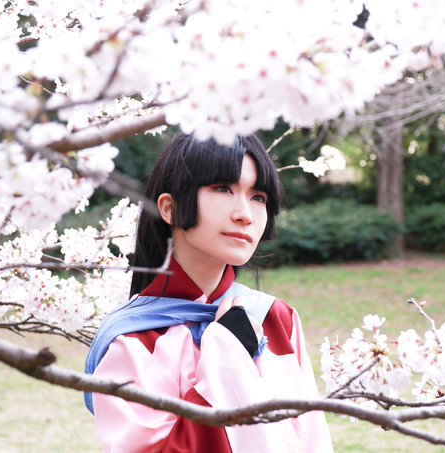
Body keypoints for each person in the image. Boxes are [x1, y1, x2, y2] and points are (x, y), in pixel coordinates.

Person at [85, 133, 333, 452]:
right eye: (223, 189)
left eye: (258, 196)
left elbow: (312, 441)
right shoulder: (132, 342)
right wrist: (225, 353)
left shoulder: (276, 319)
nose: (245, 214)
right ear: (170, 208)